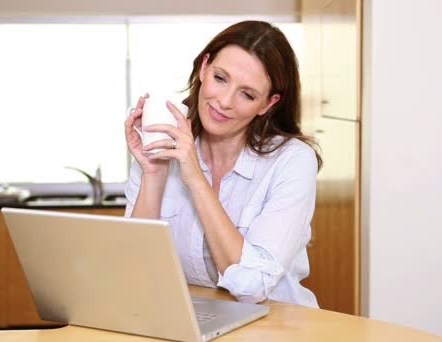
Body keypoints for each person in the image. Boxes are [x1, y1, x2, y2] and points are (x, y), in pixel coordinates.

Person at [123, 20, 322, 308]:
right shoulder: (166, 141)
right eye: (220, 78)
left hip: (276, 327)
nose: (225, 101)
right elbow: (134, 272)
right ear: (204, 67)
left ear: (268, 103)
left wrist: (196, 179)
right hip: (191, 322)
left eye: (248, 94)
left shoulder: (292, 160)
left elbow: (252, 288)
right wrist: (153, 174)